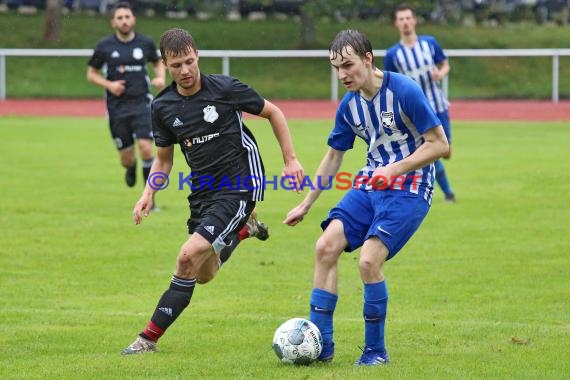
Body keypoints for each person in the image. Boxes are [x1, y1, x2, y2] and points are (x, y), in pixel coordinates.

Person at [122, 28, 305, 354]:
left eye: (190, 62)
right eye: (177, 65)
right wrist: (148, 193)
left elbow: (273, 112)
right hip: (203, 191)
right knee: (202, 273)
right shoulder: (163, 106)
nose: (186, 71)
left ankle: (147, 339)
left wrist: (290, 160)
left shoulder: (225, 88)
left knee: (186, 256)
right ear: (165, 64)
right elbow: (163, 161)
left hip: (240, 184)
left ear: (198, 56)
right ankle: (243, 231)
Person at [284, 29, 449, 366]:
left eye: (348, 65)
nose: (343, 74)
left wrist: (395, 169)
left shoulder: (403, 90)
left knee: (368, 261)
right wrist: (306, 202)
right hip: (370, 185)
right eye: (336, 68)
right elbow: (333, 157)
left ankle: (375, 352)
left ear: (368, 59)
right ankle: (321, 345)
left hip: (411, 187)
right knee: (325, 246)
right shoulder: (349, 107)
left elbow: (441, 145)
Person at [87, 2, 165, 189]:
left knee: (147, 148)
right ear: (113, 22)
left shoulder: (144, 43)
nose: (124, 21)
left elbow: (157, 62)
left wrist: (160, 77)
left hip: (142, 103)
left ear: (134, 20)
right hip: (117, 107)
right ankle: (130, 167)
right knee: (126, 158)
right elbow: (91, 74)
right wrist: (110, 85)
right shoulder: (105, 45)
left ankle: (149, 198)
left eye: (127, 17)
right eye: (120, 18)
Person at [384, 3, 456, 202]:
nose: (405, 22)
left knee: (445, 150)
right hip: (413, 111)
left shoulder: (430, 43)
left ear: (414, 21)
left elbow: (445, 64)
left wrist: (440, 73)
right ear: (396, 24)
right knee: (431, 149)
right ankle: (448, 193)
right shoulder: (393, 55)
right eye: (401, 19)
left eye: (408, 18)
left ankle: (441, 186)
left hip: (438, 105)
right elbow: (390, 83)